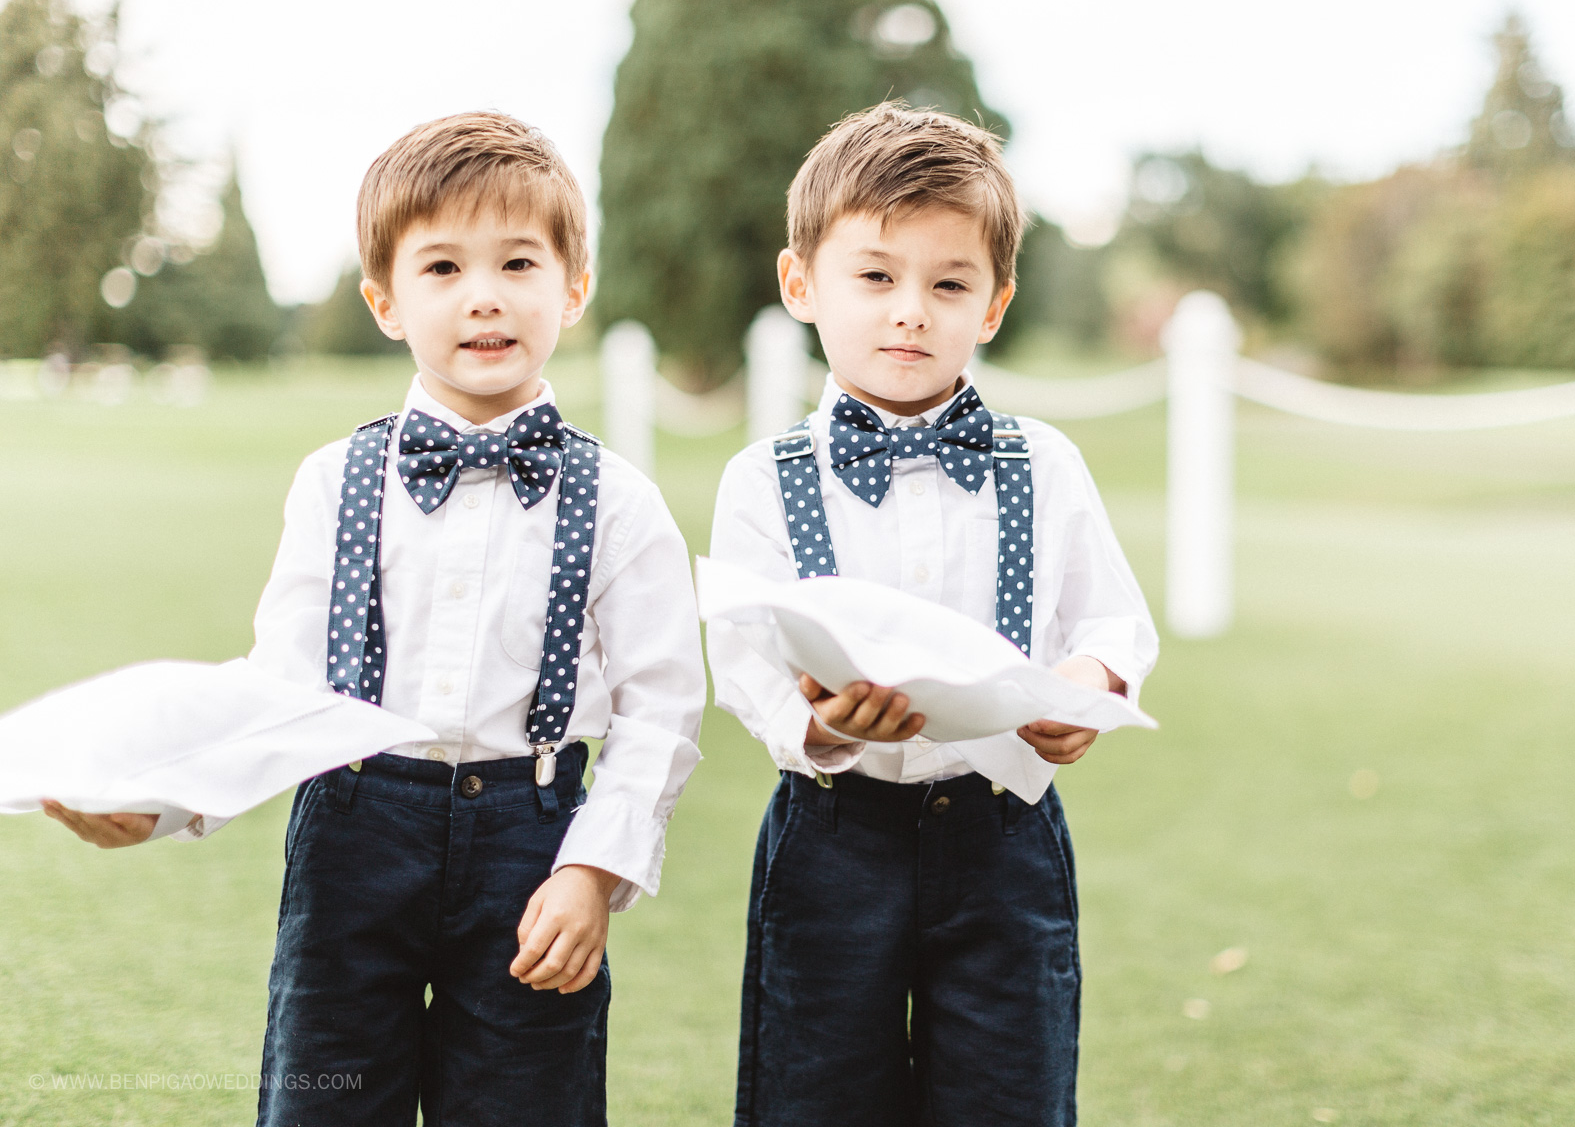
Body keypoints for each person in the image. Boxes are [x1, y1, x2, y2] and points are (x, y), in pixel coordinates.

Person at [46, 111, 706, 1127]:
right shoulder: (332, 483)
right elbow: (283, 692)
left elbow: (661, 708)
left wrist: (593, 866)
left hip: (534, 849)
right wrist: (165, 802)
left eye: (517, 262)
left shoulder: (620, 501)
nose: (483, 294)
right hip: (354, 843)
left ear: (573, 286)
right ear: (385, 301)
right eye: (442, 267)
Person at [707, 102, 1159, 1127]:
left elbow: (1110, 623)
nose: (911, 309)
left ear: (992, 306)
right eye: (875, 276)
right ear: (801, 284)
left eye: (947, 283)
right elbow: (739, 654)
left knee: (1010, 1093)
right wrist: (814, 724)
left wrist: (1087, 690)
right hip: (833, 840)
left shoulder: (1045, 463)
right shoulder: (762, 479)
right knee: (811, 1096)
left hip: (1005, 838)